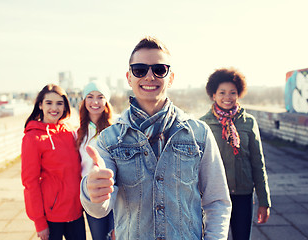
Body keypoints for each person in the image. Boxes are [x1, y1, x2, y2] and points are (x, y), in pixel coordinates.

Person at [80, 36, 232, 239]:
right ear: (129, 78)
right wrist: (92, 190)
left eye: (159, 69)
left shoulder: (199, 134)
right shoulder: (109, 139)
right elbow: (99, 209)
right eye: (140, 70)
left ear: (170, 77)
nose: (149, 76)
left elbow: (217, 201)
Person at [200, 67, 271, 240]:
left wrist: (264, 201)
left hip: (243, 195)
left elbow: (257, 163)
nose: (227, 97)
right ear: (213, 95)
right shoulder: (203, 125)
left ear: (239, 93)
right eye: (222, 92)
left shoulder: (249, 122)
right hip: (213, 197)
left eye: (232, 92)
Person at [21, 84, 86, 240]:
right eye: (49, 103)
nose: (54, 108)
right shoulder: (32, 138)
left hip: (76, 212)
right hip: (51, 216)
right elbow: (30, 182)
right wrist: (39, 222)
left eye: (59, 103)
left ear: (65, 106)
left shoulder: (71, 132)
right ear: (40, 105)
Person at [76, 81, 115, 240]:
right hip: (92, 194)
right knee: (99, 237)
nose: (95, 102)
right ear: (84, 101)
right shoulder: (79, 132)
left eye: (100, 97)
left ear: (106, 101)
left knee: (116, 235)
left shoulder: (115, 128)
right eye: (90, 97)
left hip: (115, 192)